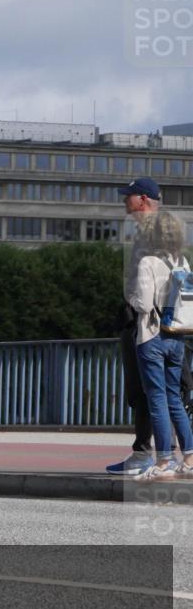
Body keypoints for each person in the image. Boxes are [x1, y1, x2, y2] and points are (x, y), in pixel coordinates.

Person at [107, 177, 171, 474]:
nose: (125, 200)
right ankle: (164, 454)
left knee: (145, 389)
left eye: (129, 196)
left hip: (145, 321)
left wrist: (138, 305)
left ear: (143, 199)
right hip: (154, 320)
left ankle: (149, 454)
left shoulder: (152, 233)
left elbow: (153, 280)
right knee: (158, 389)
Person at [126, 211, 193, 481]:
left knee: (157, 399)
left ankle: (164, 462)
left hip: (152, 336)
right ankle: (189, 459)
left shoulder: (148, 262)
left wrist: (131, 297)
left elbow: (143, 304)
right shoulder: (183, 262)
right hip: (176, 336)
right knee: (174, 397)